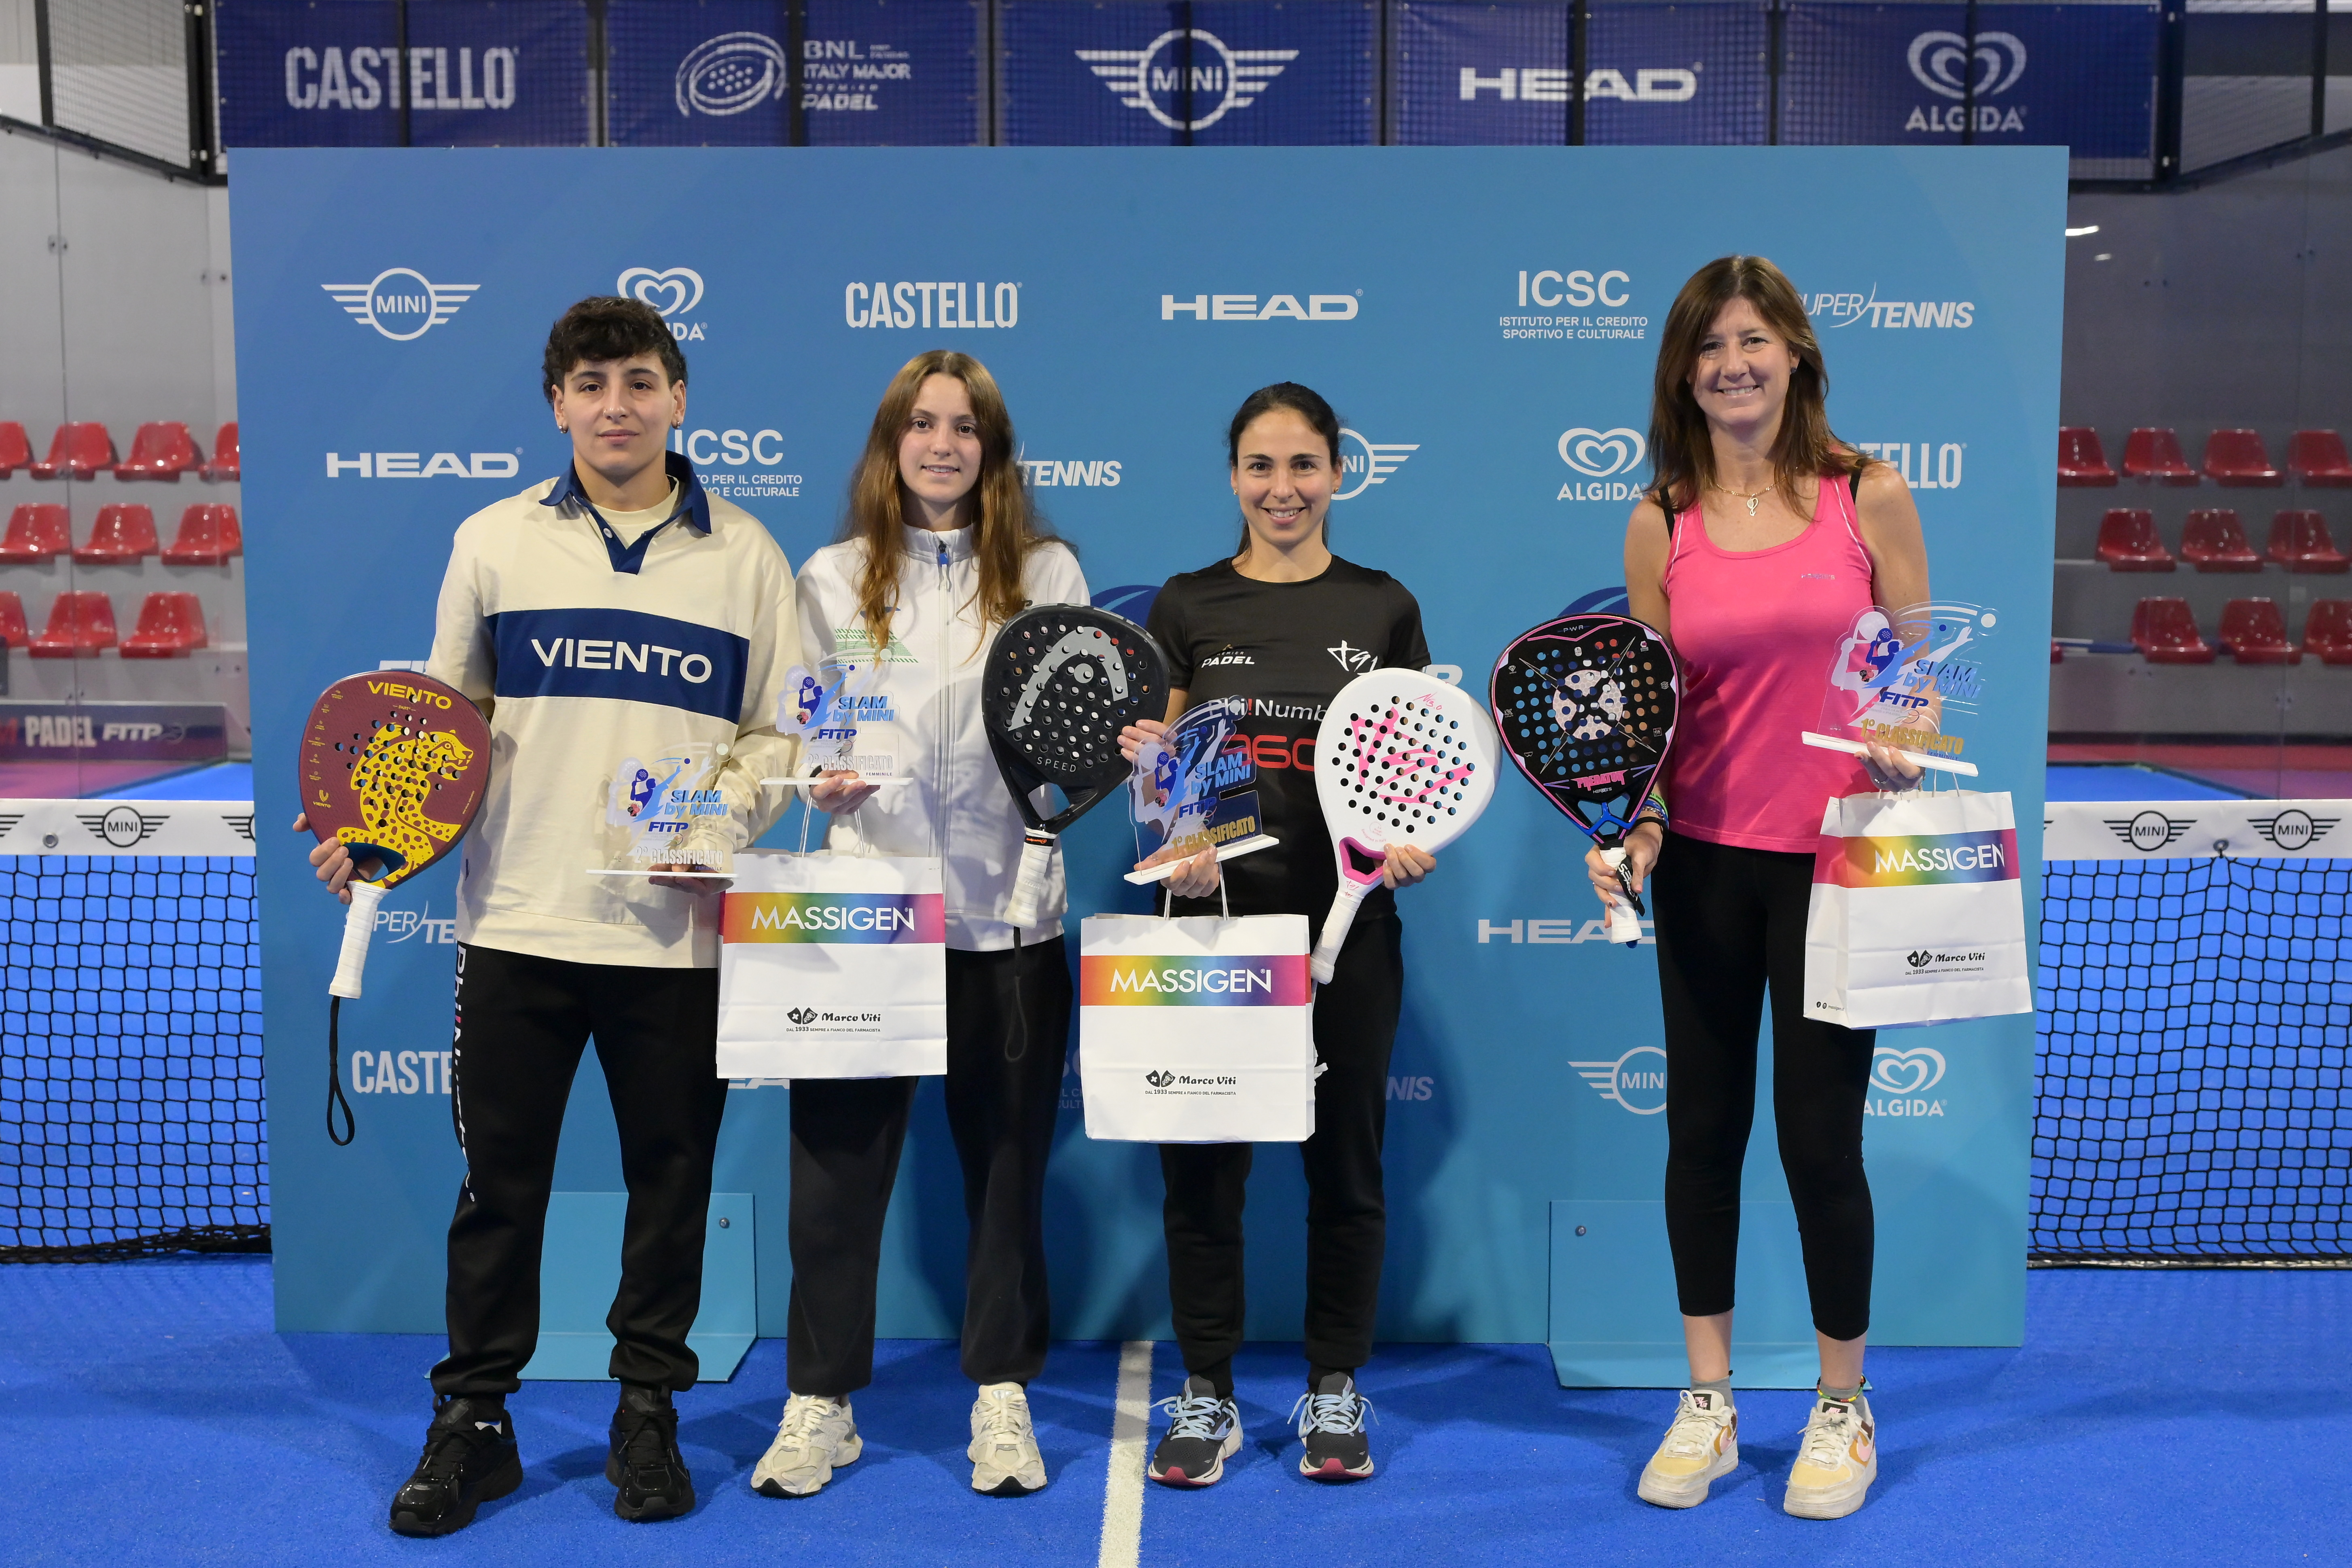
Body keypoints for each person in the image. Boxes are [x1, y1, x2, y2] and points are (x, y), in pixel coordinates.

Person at [294, 296, 801, 1534]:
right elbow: (436, 732)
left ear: (679, 397)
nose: (614, 405)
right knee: (499, 1189)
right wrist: (379, 835)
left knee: (669, 1184)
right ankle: (475, 1423)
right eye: (589, 385)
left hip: (674, 937)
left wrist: (717, 826)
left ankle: (647, 1416)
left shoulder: (747, 555)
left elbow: (779, 730)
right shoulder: (492, 541)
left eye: (638, 381)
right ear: (556, 404)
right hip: (514, 928)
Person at [1591, 255, 1928, 1521]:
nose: (1735, 363)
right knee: (1703, 1135)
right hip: (1709, 871)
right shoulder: (1658, 520)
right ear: (1685, 373)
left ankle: (1843, 1407)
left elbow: (1917, 668)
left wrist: (1907, 728)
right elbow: (1650, 719)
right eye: (1711, 346)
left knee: (1819, 1138)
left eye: (1756, 339)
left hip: (1839, 861)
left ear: (1795, 352)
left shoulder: (1867, 492)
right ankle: (1711, 1401)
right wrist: (1629, 822)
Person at [748, 350, 1089, 1500]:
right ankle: (820, 1400)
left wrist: (1056, 803)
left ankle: (1002, 1393)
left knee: (1006, 1170)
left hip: (1012, 922)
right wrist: (819, 782)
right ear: (891, 441)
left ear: (993, 449)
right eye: (922, 424)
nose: (943, 445)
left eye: (966, 427)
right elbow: (798, 732)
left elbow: (1076, 739)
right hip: (865, 919)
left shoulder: (1046, 571)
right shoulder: (832, 578)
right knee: (834, 1175)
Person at [1118, 382, 1436, 1487]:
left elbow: (1413, 762)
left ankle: (1334, 1385)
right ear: (1233, 476)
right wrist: (1178, 831)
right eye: (1260, 465)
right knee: (1204, 1173)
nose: (1282, 488)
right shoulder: (1187, 605)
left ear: (1339, 472)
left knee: (1345, 1167)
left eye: (1303, 465)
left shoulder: (1384, 605)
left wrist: (1406, 839)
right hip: (1215, 939)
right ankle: (1206, 1390)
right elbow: (1164, 779)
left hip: (1351, 935)